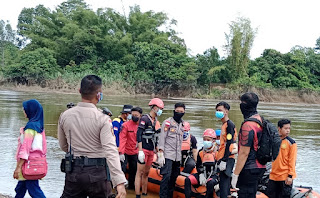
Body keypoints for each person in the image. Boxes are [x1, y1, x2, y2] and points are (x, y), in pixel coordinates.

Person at [58, 75, 126, 198]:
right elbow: (110, 151)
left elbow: (63, 146)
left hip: (74, 172)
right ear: (99, 95)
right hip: (97, 174)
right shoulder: (103, 119)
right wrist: (119, 182)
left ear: (79, 91)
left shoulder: (65, 115)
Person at [231, 92, 266, 198]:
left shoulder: (248, 125)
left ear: (244, 104)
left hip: (249, 168)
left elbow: (244, 153)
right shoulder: (260, 120)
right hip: (260, 166)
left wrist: (235, 174)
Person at [14, 99, 47, 198]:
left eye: (25, 109)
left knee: (34, 190)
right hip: (36, 163)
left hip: (28, 164)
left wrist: (18, 167)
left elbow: (25, 149)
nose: (23, 111)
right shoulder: (39, 127)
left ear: (30, 111)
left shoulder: (30, 128)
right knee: (21, 188)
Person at [135, 98, 164, 198]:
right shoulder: (144, 119)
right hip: (144, 149)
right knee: (139, 172)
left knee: (146, 172)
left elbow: (155, 138)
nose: (160, 111)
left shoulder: (155, 121)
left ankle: (144, 193)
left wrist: (159, 153)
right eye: (160, 108)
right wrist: (140, 151)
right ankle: (137, 195)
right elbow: (139, 134)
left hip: (151, 150)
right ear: (154, 107)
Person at [158, 102, 186, 198]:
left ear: (184, 112)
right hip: (168, 154)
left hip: (177, 156)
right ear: (174, 111)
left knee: (174, 177)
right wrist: (160, 153)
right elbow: (162, 137)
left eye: (181, 111)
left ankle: (170, 195)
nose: (179, 113)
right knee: (166, 176)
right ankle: (163, 196)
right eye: (177, 111)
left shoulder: (183, 125)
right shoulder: (168, 123)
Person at [184, 129, 219, 198]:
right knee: (188, 180)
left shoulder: (218, 153)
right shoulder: (200, 152)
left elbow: (220, 167)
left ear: (213, 140)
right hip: (203, 174)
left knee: (210, 183)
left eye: (208, 140)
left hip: (214, 175)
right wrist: (201, 174)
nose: (206, 142)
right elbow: (198, 165)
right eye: (204, 139)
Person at [267, 119, 297, 198]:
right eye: (286, 128)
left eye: (289, 128)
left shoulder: (291, 143)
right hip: (273, 176)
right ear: (279, 128)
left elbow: (292, 161)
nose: (288, 131)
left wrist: (290, 176)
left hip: (285, 177)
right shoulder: (273, 140)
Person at [215, 101, 238, 198]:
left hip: (227, 158)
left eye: (220, 110)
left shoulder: (230, 125)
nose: (218, 112)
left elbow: (229, 142)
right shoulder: (224, 125)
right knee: (223, 184)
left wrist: (224, 160)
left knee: (224, 184)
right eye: (217, 110)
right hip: (223, 156)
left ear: (226, 111)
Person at [119, 107, 143, 189]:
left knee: (134, 170)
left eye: (136, 115)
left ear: (140, 115)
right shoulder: (125, 125)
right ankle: (120, 186)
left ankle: (132, 187)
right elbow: (122, 139)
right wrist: (121, 152)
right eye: (133, 115)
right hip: (126, 151)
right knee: (122, 168)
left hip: (136, 152)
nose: (134, 116)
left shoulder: (142, 125)